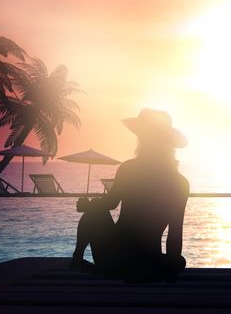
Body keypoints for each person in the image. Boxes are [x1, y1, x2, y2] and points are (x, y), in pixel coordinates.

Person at [71, 108, 190, 282]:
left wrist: (88, 206)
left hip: (114, 258)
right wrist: (171, 271)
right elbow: (175, 232)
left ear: (142, 140)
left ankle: (77, 258)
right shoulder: (179, 182)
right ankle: (142, 272)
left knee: (95, 210)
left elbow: (110, 204)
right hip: (149, 259)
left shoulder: (129, 169)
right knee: (178, 262)